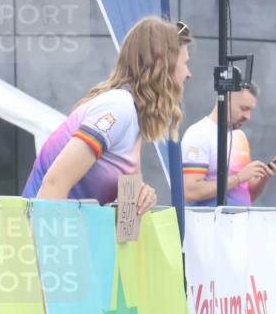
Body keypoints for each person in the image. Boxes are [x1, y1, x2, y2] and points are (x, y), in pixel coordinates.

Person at [22, 17, 192, 212]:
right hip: (44, 236)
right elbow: (54, 184)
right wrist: (54, 243)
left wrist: (143, 197)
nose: (189, 73)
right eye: (185, 63)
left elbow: (128, 217)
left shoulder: (132, 115)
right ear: (164, 66)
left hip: (74, 235)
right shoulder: (118, 109)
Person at [181, 83, 276, 206]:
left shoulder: (239, 136)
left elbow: (245, 195)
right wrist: (238, 178)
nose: (248, 117)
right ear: (226, 100)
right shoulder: (198, 134)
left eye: (250, 110)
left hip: (241, 222)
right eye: (244, 109)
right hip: (211, 223)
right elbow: (191, 192)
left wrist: (263, 178)